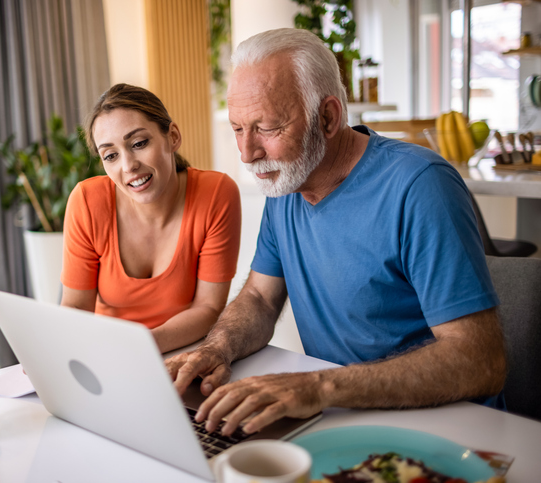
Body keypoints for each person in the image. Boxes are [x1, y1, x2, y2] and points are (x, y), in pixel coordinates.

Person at [167, 28, 506, 437]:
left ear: (327, 117)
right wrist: (217, 348)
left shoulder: (419, 186)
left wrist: (320, 387)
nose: (247, 154)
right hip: (343, 416)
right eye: (238, 128)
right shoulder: (286, 184)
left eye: (268, 128)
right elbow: (259, 297)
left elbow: (480, 360)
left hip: (447, 428)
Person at [60, 83, 242, 353]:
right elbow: (75, 307)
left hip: (186, 354)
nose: (128, 166)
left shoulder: (216, 194)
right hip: (109, 355)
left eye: (139, 143)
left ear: (173, 137)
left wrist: (139, 347)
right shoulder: (87, 202)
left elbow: (209, 307)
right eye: (110, 155)